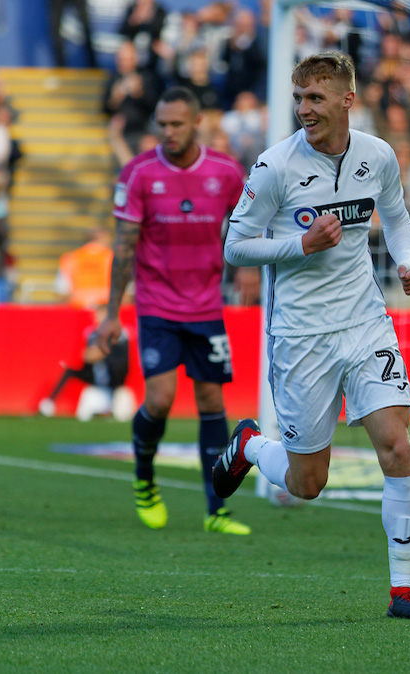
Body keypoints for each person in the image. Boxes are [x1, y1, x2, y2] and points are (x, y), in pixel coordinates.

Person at [212, 52, 410, 620]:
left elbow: (397, 213)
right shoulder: (274, 167)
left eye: (315, 98)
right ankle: (249, 445)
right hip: (302, 335)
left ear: (346, 100)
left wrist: (406, 262)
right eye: (298, 98)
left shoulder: (377, 155)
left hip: (365, 322)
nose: (304, 109)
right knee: (307, 483)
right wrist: (300, 245)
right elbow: (234, 246)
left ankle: (403, 589)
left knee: (397, 443)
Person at [94, 87, 249, 536]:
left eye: (177, 124)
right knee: (160, 400)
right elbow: (123, 249)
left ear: (197, 122)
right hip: (157, 305)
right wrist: (110, 315)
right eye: (161, 124)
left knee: (212, 401)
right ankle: (145, 480)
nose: (168, 132)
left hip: (206, 306)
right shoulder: (139, 173)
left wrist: (252, 270)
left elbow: (248, 224)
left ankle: (216, 510)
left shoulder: (225, 172)